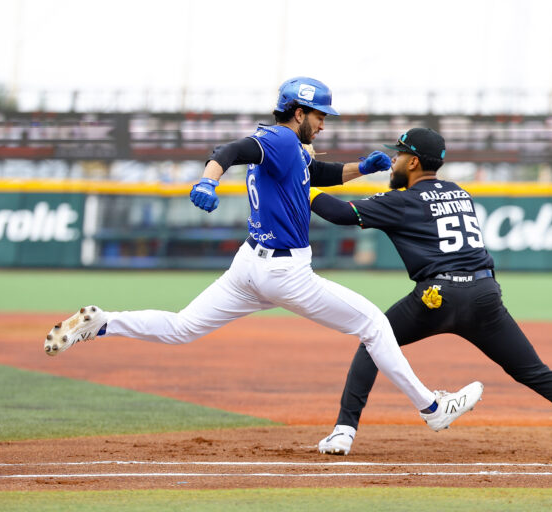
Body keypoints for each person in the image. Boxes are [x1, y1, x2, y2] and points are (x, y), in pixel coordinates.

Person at [42, 77, 483, 433]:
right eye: (319, 115)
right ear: (298, 113)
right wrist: (207, 180)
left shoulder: (287, 147)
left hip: (249, 267)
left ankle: (104, 323)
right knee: (373, 324)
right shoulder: (281, 140)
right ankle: (431, 407)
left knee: (181, 328)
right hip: (285, 270)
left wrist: (361, 169)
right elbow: (229, 151)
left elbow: (317, 173)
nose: (324, 124)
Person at [311, 127, 552, 455]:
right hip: (483, 295)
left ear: (415, 162)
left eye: (400, 154)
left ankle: (343, 433)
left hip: (437, 296)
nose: (394, 159)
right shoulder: (460, 193)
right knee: (533, 371)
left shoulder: (403, 201)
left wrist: (299, 186)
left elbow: (338, 213)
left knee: (373, 341)